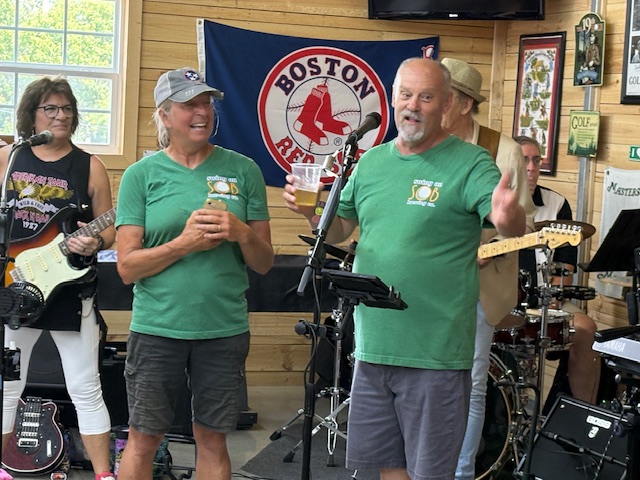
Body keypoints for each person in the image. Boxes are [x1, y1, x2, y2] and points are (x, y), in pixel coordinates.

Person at [283, 58, 525, 480]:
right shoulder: (372, 162)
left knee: (430, 473)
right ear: (393, 99)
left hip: (434, 352)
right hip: (373, 347)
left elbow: (508, 222)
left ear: (446, 104)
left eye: (426, 97)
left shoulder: (471, 163)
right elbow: (339, 228)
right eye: (406, 95)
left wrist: (508, 215)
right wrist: (310, 212)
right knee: (387, 469)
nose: (413, 105)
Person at [114, 67, 274, 480]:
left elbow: (263, 262)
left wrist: (240, 232)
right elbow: (127, 268)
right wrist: (184, 243)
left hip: (223, 329)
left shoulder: (244, 170)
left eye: (206, 103)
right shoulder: (140, 176)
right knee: (144, 438)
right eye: (189, 104)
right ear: (165, 116)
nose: (202, 112)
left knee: (213, 439)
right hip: (157, 329)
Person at [0, 77, 116, 480]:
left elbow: (109, 229)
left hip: (69, 290)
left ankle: (104, 475)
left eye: (66, 108)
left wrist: (95, 241)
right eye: (50, 108)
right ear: (31, 115)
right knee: (7, 387)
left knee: (85, 387)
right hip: (16, 286)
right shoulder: (9, 158)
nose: (60, 115)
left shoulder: (90, 165)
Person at [439, 57, 536, 480]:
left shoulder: (504, 150)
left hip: (479, 284)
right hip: (427, 282)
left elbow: (524, 224)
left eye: (439, 97)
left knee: (471, 383)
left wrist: (492, 249)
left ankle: (461, 473)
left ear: (463, 104)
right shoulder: (424, 143)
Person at [514, 135, 600, 405]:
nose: (531, 167)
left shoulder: (556, 204)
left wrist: (552, 296)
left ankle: (582, 414)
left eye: (536, 160)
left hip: (545, 300)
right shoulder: (491, 201)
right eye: (524, 161)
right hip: (502, 302)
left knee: (587, 329)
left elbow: (566, 265)